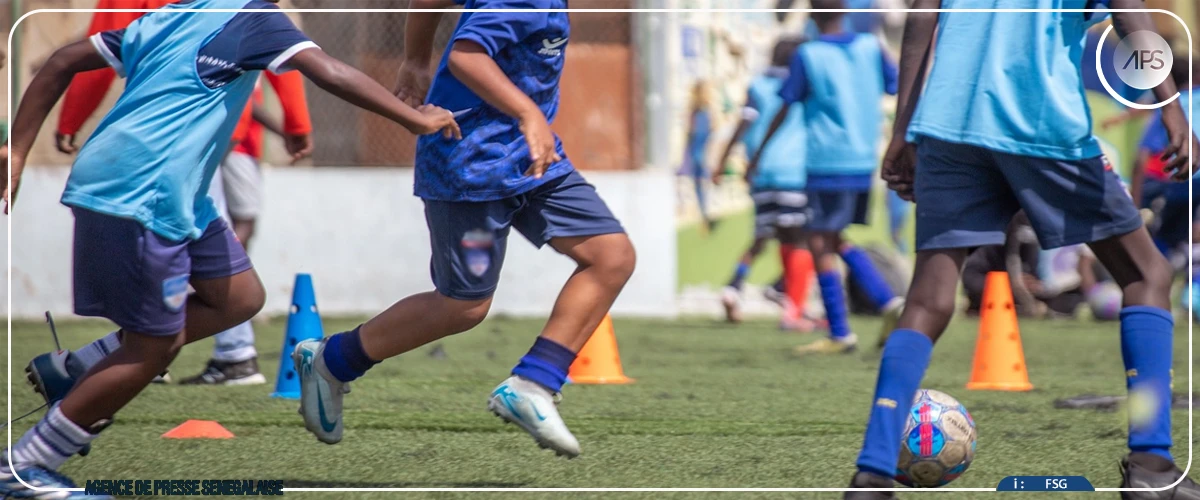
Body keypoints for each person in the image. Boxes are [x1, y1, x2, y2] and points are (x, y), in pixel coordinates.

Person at [4, 0, 458, 494]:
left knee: (239, 297)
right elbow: (328, 71)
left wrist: (20, 149)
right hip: (139, 191)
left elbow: (61, 62)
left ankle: (80, 370)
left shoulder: (174, 15)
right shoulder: (254, 16)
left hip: (176, 195)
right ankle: (24, 467)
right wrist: (412, 119)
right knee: (153, 350)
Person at [845, 1, 1200, 497]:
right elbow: (1128, 16)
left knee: (928, 299)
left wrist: (905, 128)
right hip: (1037, 116)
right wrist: (1170, 104)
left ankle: (873, 471)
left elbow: (922, 15)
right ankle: (1153, 466)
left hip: (949, 118)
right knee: (1148, 276)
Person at [292, 0, 636, 459]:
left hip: (533, 161)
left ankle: (533, 384)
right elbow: (466, 55)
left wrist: (414, 60)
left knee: (610, 256)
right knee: (463, 306)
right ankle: (332, 361)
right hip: (469, 163)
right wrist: (529, 113)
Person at [754, 0, 904, 355]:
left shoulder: (809, 55)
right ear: (846, 11)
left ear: (811, 15)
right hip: (863, 159)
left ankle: (841, 331)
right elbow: (895, 85)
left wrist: (759, 152)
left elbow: (787, 104)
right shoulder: (871, 46)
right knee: (832, 237)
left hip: (825, 161)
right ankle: (888, 302)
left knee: (819, 241)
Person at [180, 75, 314, 386]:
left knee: (231, 225)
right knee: (204, 226)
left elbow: (284, 74)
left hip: (229, 139)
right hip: (222, 136)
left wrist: (294, 127)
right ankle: (230, 347)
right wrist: (294, 127)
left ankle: (232, 348)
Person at [713, 37, 816, 330]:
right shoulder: (802, 86)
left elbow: (742, 124)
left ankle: (734, 286)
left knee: (763, 235)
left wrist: (722, 161)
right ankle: (793, 306)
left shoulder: (757, 85)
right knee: (802, 239)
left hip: (760, 171)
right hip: (793, 171)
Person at [684, 80, 716, 232]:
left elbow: (690, 134)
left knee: (699, 186)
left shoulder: (697, 113)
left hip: (698, 152)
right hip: (701, 152)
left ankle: (704, 216)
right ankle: (705, 216)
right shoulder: (704, 112)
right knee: (702, 185)